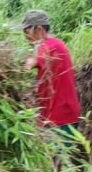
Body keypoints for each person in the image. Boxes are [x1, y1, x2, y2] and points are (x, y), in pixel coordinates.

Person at [21, 10, 82, 138]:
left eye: (26, 31)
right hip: (57, 114)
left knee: (59, 156)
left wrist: (22, 66)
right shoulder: (55, 43)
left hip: (61, 117)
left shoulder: (49, 46)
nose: (25, 36)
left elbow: (32, 63)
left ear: (38, 29)